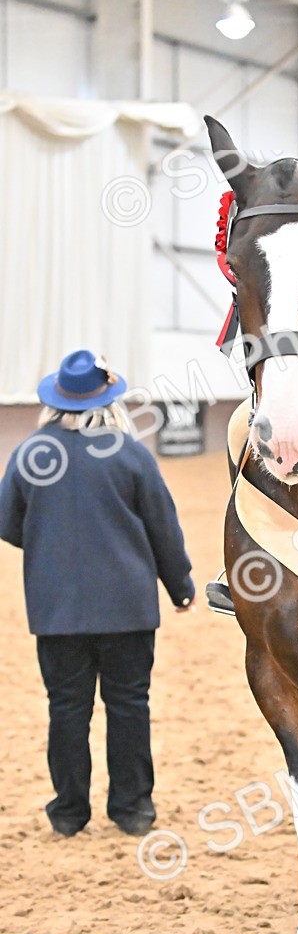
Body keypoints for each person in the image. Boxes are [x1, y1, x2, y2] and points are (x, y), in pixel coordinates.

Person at [0, 350, 196, 837]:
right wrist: (181, 585)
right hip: (127, 608)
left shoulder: (29, 454)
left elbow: (8, 523)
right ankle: (132, 809)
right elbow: (162, 530)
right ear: (107, 400)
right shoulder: (130, 454)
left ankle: (68, 812)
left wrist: (49, 544)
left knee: (66, 708)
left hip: (56, 610)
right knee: (130, 705)